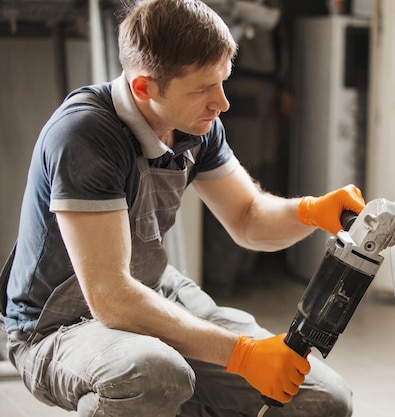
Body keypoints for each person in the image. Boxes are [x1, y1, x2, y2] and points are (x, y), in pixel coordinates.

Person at [0, 0, 365, 416]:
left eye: (222, 81)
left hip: (150, 291)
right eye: (202, 89)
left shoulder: (194, 124)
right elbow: (111, 298)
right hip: (57, 327)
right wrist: (243, 355)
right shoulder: (85, 136)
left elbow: (247, 218)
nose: (222, 103)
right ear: (144, 87)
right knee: (152, 377)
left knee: (322, 402)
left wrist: (311, 212)